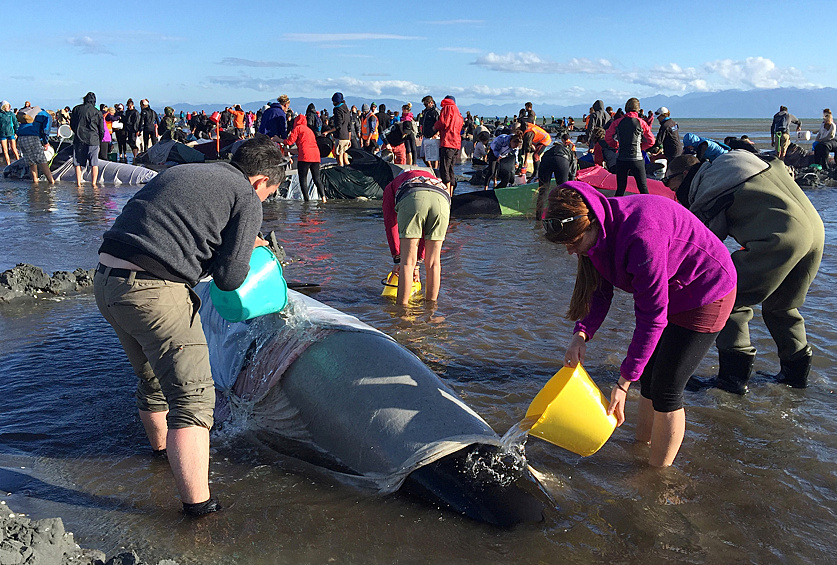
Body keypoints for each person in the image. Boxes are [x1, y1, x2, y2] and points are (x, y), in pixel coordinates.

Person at [94, 136, 285, 516]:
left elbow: (172, 228)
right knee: (194, 401)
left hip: (106, 281)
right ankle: (198, 510)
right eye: (270, 194)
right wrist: (252, 250)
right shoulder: (246, 197)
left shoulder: (186, 171)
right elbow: (230, 279)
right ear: (261, 180)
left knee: (152, 379)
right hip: (154, 293)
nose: (265, 200)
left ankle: (162, 456)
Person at [545, 182, 736, 467]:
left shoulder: (641, 238)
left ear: (592, 224)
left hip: (707, 290)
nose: (571, 252)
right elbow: (599, 290)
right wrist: (581, 334)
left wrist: (623, 383)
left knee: (667, 389)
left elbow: (652, 318)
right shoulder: (597, 236)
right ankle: (640, 448)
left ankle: (657, 477)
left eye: (574, 243)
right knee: (650, 376)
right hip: (672, 289)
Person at [666, 152, 824, 394]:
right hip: (815, 231)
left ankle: (732, 382)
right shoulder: (733, 159)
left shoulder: (708, 187)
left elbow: (705, 244)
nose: (671, 189)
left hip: (780, 239)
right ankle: (795, 379)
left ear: (685, 175)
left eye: (670, 182)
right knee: (782, 306)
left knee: (726, 299)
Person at [382, 170, 451, 306]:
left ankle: (402, 313)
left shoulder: (390, 187)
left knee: (407, 262)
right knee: (434, 262)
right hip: (442, 197)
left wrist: (397, 259)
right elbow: (425, 233)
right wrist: (418, 263)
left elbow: (391, 225)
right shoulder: (430, 177)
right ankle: (431, 310)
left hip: (412, 195)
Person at [604, 97, 655, 196]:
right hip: (637, 158)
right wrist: (640, 147)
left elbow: (608, 137)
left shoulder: (617, 122)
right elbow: (651, 141)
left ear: (626, 108)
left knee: (620, 189)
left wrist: (616, 145)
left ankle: (615, 209)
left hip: (622, 158)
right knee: (643, 188)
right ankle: (648, 208)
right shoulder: (641, 123)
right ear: (638, 109)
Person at [286, 114, 326, 202]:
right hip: (315, 156)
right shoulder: (309, 130)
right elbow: (301, 148)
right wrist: (287, 151)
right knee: (317, 178)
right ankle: (323, 198)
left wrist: (279, 140)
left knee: (303, 178)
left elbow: (289, 142)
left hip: (304, 157)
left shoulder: (297, 128)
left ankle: (306, 200)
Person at [70, 92, 104, 187]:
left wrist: (76, 132)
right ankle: (94, 183)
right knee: (94, 163)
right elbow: (101, 129)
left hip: (79, 139)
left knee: (77, 163)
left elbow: (72, 124)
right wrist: (99, 139)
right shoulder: (97, 112)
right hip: (93, 140)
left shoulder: (76, 109)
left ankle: (78, 183)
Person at [536, 141, 577, 218]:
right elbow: (572, 174)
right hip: (561, 159)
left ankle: (538, 217)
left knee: (543, 190)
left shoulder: (549, 150)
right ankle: (562, 216)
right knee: (563, 191)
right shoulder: (571, 154)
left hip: (546, 159)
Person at [16, 106, 55, 184]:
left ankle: (35, 181)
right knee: (42, 160)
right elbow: (46, 130)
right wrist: (45, 142)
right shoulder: (48, 116)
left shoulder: (34, 113)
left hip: (21, 138)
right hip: (32, 137)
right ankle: (51, 181)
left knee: (31, 162)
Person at [434, 95, 464, 195]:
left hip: (447, 141)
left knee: (444, 168)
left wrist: (435, 127)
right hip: (456, 143)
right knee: (451, 168)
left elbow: (444, 123)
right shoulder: (458, 112)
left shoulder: (447, 108)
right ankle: (451, 193)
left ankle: (446, 193)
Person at [328, 92, 351, 167]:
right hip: (347, 137)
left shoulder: (337, 109)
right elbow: (349, 126)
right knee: (345, 158)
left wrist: (328, 131)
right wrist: (349, 138)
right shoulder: (347, 110)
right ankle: (350, 172)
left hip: (340, 136)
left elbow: (338, 125)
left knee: (339, 158)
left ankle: (341, 174)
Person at [420, 95, 440, 169]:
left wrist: (437, 134)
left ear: (431, 103)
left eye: (426, 104)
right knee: (423, 155)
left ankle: (435, 170)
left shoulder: (436, 111)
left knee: (434, 156)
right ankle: (430, 167)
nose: (425, 106)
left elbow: (440, 123)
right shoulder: (426, 111)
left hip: (433, 136)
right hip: (426, 135)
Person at [0, 101, 20, 165]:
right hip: (2, 134)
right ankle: (8, 164)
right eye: (5, 106)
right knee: (5, 150)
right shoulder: (0, 114)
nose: (7, 107)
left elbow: (16, 124)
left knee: (14, 149)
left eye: (8, 106)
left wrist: (16, 133)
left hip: (11, 133)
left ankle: (19, 162)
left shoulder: (11, 114)